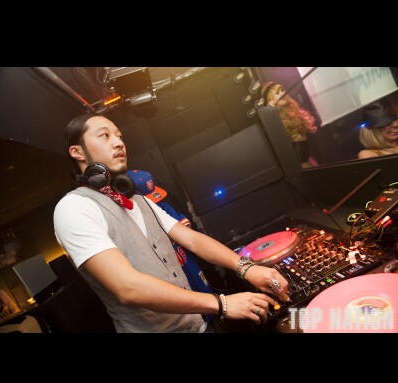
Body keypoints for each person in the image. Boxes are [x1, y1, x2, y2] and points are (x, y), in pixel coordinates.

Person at [53, 113, 290, 333]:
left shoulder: (138, 199)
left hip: (198, 325)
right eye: (105, 135)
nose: (118, 143)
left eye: (119, 136)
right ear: (77, 152)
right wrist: (222, 304)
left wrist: (247, 268)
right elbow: (127, 287)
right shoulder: (73, 208)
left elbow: (192, 240)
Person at [126, 169, 215, 323]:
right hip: (170, 273)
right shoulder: (130, 220)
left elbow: (187, 229)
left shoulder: (163, 206)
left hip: (186, 260)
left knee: (206, 296)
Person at [261, 81, 318, 168]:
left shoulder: (292, 110)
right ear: (270, 99)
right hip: (299, 166)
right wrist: (271, 113)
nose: (282, 93)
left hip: (307, 159)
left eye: (282, 90)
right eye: (277, 93)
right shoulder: (275, 119)